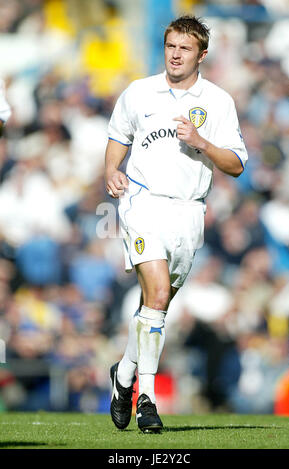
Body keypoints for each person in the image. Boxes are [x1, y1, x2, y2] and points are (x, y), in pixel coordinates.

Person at [105, 15, 248, 433]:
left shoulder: (218, 102)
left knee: (156, 305)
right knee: (159, 291)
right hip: (142, 202)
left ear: (201, 55)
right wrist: (112, 170)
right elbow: (119, 136)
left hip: (188, 211)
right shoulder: (139, 92)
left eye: (184, 49)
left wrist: (202, 143)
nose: (175, 54)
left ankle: (125, 372)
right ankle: (145, 398)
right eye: (171, 46)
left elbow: (237, 165)